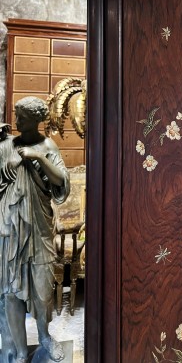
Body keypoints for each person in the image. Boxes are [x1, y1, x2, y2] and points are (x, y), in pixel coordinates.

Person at [0, 97, 70, 362]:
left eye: (23, 118)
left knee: (43, 292)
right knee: (10, 292)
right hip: (9, 228)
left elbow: (61, 181)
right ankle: (19, 350)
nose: (17, 122)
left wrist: (38, 157)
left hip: (39, 228)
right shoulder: (7, 145)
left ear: (36, 120)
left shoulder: (47, 146)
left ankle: (44, 336)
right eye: (17, 116)